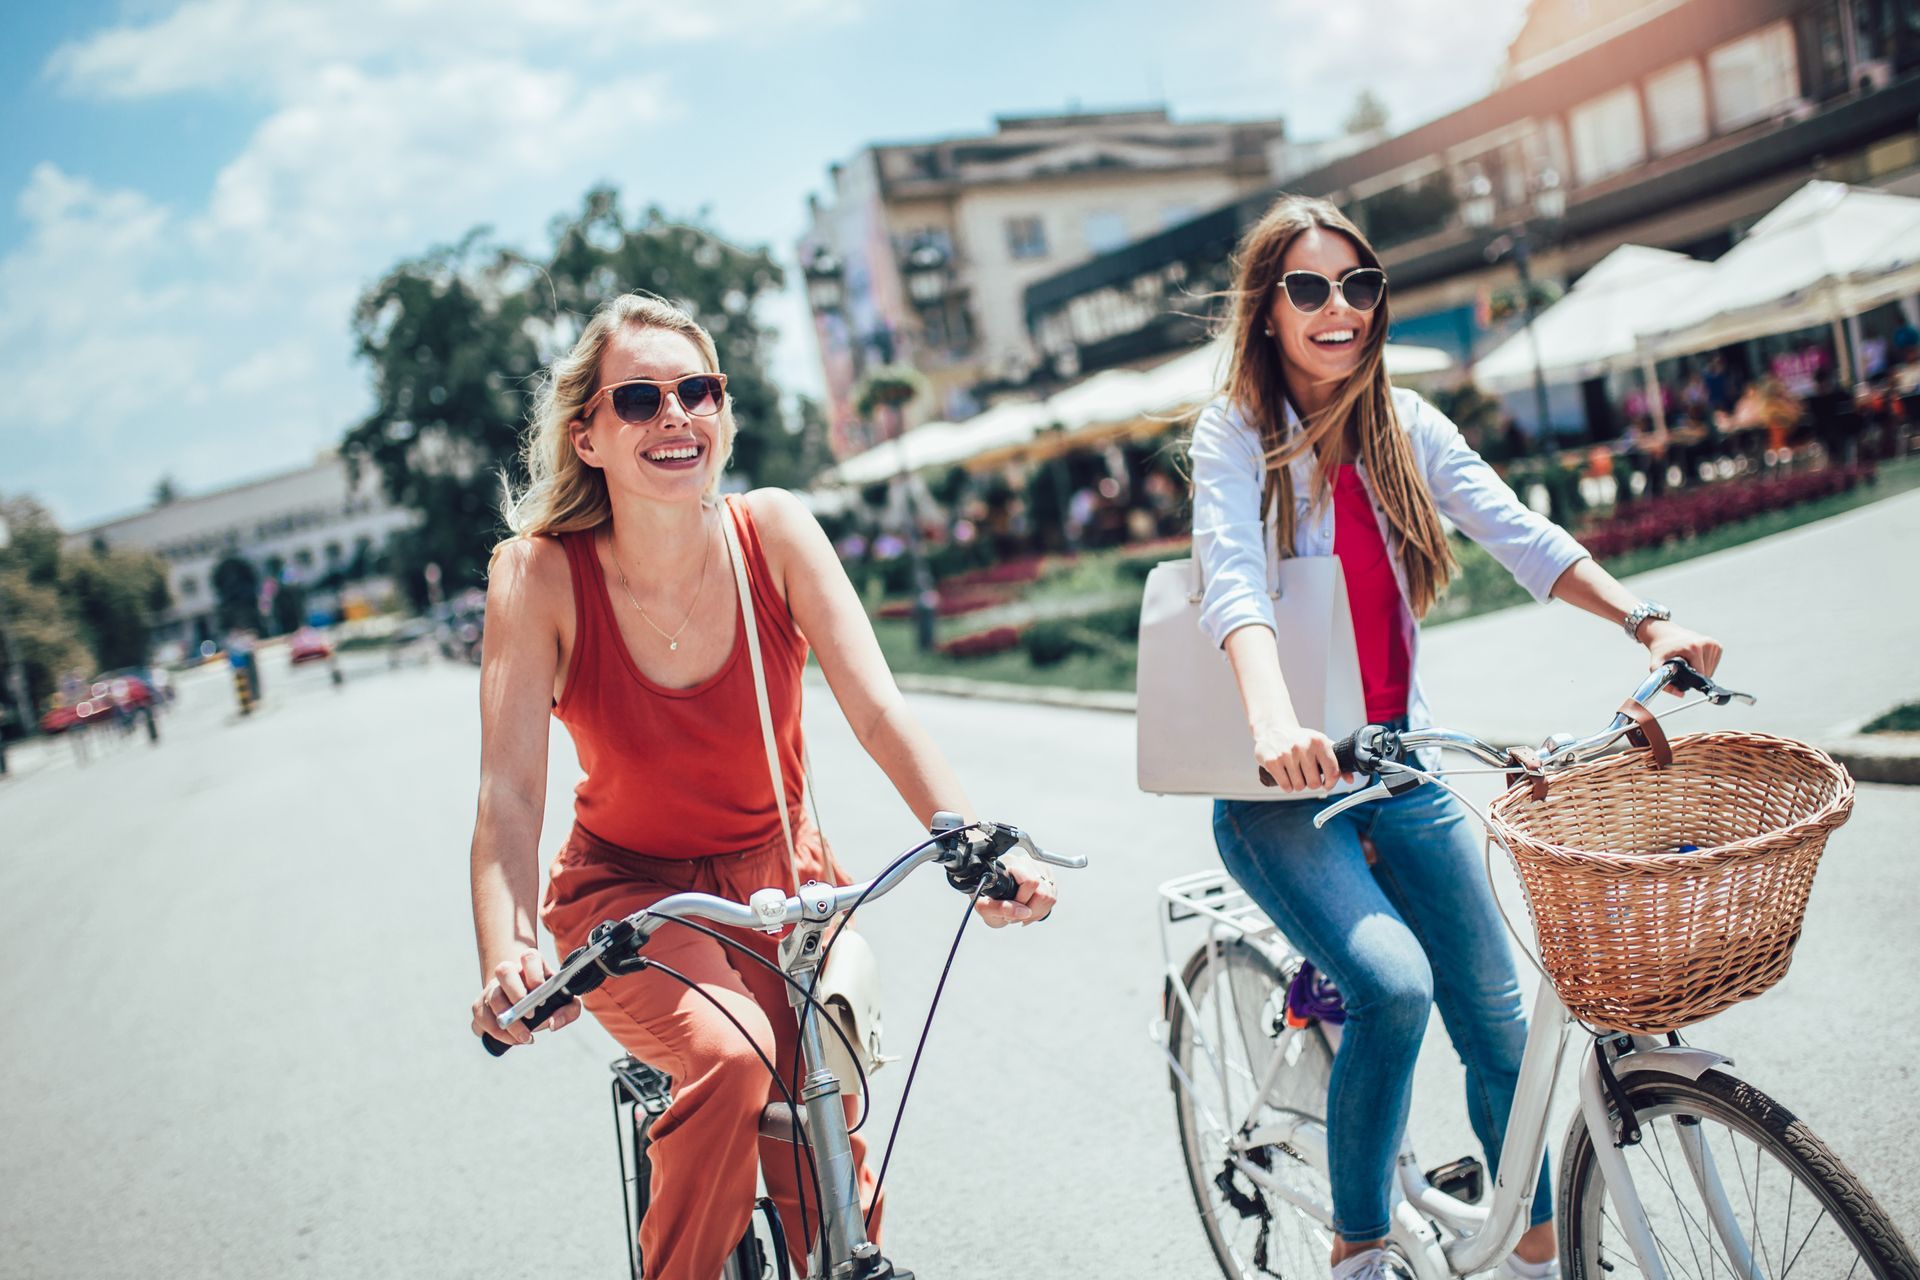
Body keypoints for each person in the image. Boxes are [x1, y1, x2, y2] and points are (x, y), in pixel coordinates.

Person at [466, 293, 1058, 1279]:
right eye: (641, 397)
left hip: (786, 889)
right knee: (730, 1058)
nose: (676, 414)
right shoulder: (538, 577)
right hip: (632, 901)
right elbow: (509, 795)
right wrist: (509, 949)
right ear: (590, 435)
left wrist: (974, 840)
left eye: (698, 390)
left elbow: (878, 710)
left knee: (831, 1196)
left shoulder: (773, 532)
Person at [1188, 196, 1723, 1280]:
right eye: (1309, 288)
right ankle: (1359, 1246)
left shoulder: (1404, 426)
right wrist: (1273, 716)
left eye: (1359, 284)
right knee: (1392, 984)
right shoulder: (1235, 433)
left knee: (1498, 1019)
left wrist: (1642, 616)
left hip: (1400, 762)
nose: (1339, 307)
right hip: (1280, 786)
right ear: (1268, 311)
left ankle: (1531, 1251)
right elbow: (1231, 577)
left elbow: (1519, 531)